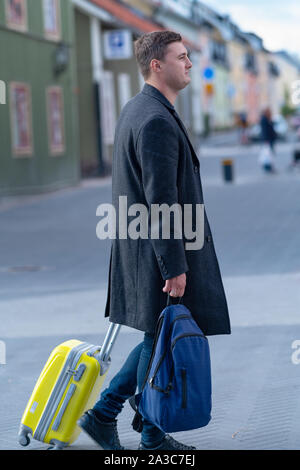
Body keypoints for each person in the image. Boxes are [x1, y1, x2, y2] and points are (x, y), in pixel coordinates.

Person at [78, 31, 231, 451]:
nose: (190, 64)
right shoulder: (156, 120)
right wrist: (175, 266)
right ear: (156, 66)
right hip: (156, 251)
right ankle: (135, 428)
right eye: (182, 58)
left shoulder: (138, 109)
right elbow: (159, 199)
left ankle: (117, 419)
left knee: (156, 336)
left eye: (189, 57)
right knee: (159, 336)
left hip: (140, 248)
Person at [259, 108, 277, 173]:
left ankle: (269, 167)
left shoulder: (268, 119)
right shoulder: (264, 119)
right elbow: (264, 131)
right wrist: (266, 140)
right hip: (267, 140)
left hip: (270, 139)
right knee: (268, 154)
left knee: (270, 154)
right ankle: (268, 167)